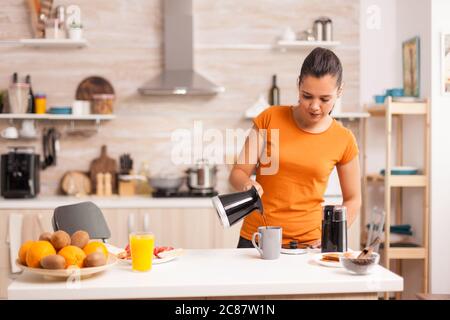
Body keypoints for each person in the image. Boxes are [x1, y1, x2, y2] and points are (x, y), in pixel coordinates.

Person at [229, 47, 361, 248]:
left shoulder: (344, 139)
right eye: (307, 95)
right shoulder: (269, 118)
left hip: (310, 244)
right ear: (298, 84)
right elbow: (238, 172)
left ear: (339, 91)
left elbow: (353, 199)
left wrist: (332, 235)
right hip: (257, 238)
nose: (314, 106)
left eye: (325, 99)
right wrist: (248, 184)